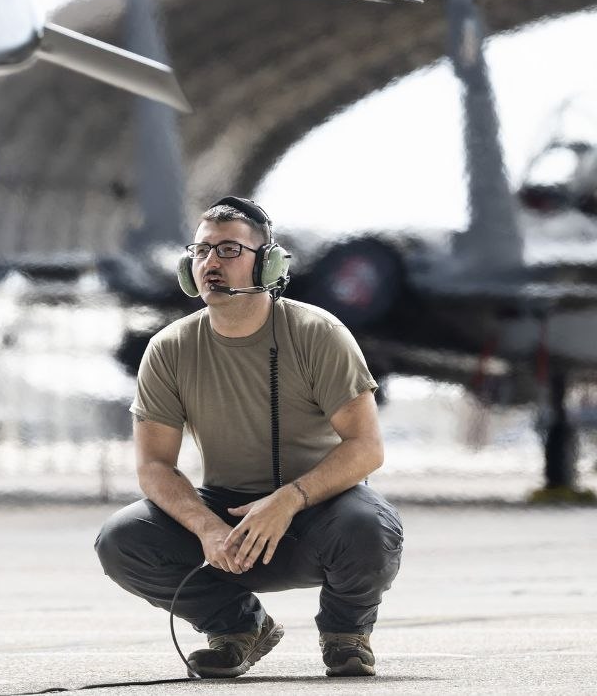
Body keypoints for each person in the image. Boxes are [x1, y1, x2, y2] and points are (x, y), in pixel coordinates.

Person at [94, 196, 403, 679]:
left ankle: (346, 634)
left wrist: (288, 500)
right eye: (201, 252)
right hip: (227, 519)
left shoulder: (319, 333)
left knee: (370, 528)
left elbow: (366, 447)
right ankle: (238, 628)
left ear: (268, 264)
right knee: (122, 540)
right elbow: (154, 465)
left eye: (228, 251)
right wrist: (206, 527)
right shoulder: (169, 349)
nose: (211, 264)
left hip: (319, 514)